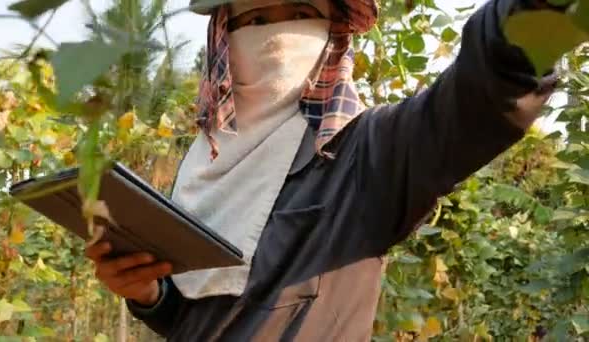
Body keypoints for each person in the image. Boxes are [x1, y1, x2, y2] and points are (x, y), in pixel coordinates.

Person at [84, 0, 576, 340]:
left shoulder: (367, 154)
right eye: (256, 16)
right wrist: (148, 294)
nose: (277, 35)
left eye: (300, 13)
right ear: (223, 38)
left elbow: (482, 97)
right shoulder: (204, 163)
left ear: (332, 32)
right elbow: (200, 318)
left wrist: (531, 18)